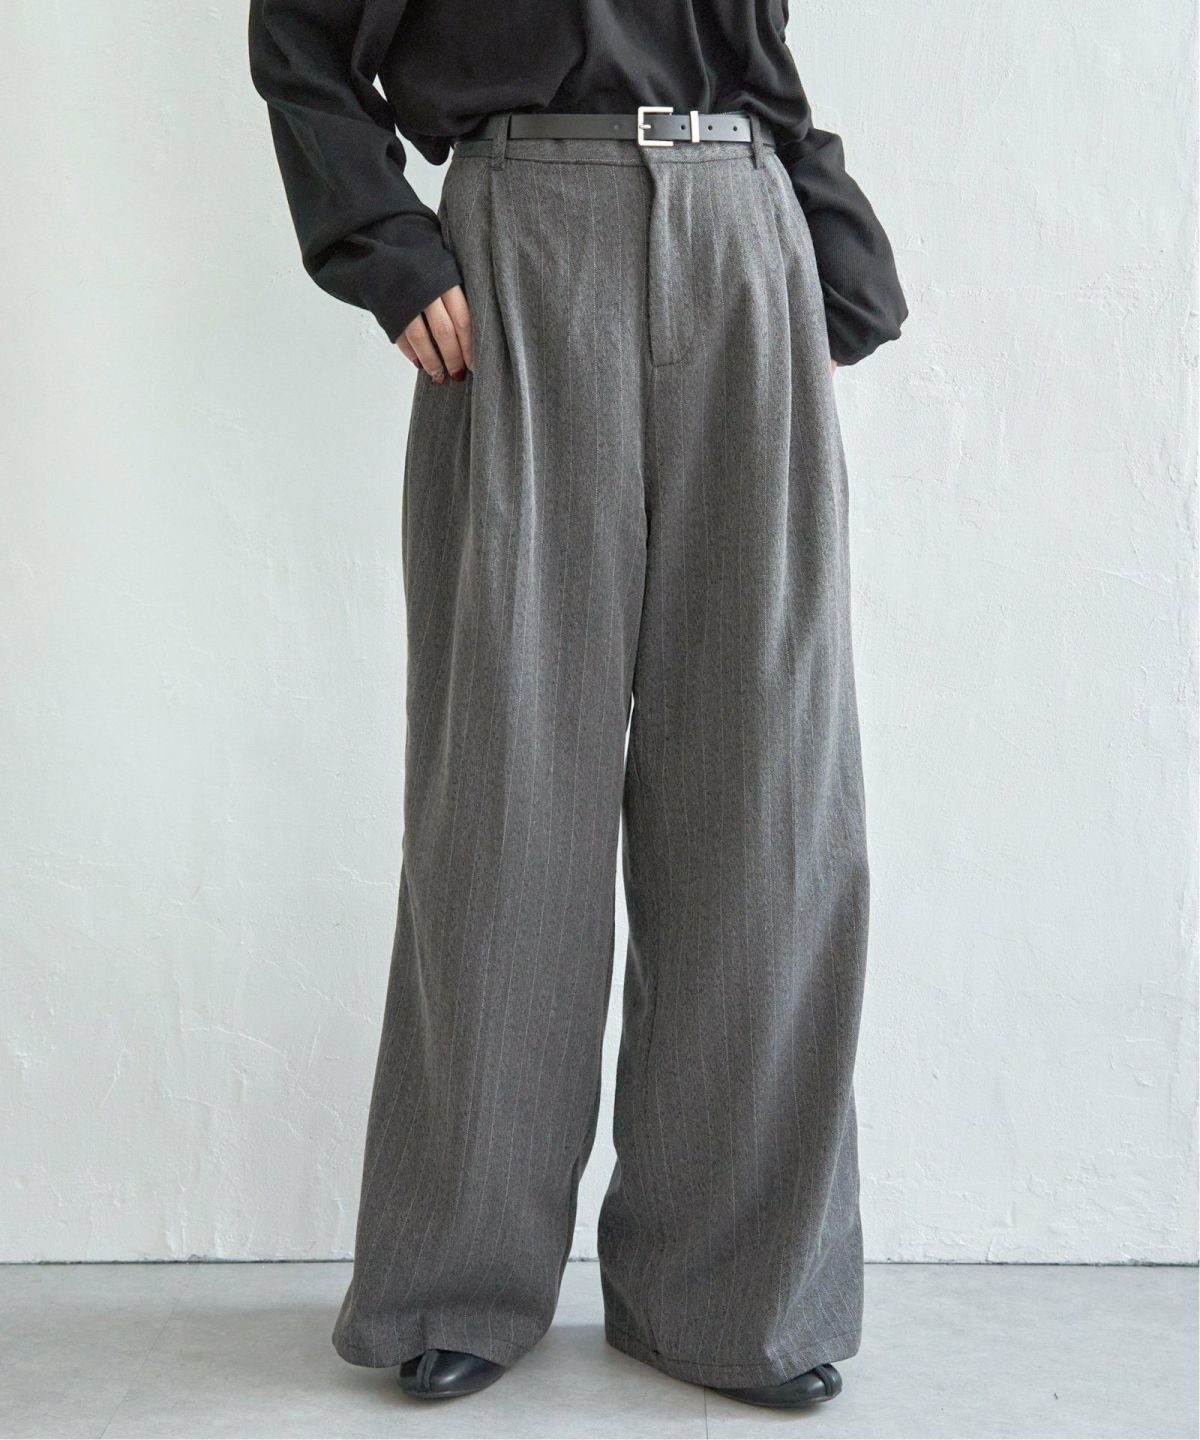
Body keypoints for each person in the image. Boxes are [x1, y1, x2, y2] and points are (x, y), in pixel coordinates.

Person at [249, 0, 906, 1412]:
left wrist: (828, 240)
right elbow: (302, 38)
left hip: (742, 229)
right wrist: (381, 239)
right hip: (523, 245)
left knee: (767, 800)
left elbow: (749, 53)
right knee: (506, 789)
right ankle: (458, 1276)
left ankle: (735, 1297)